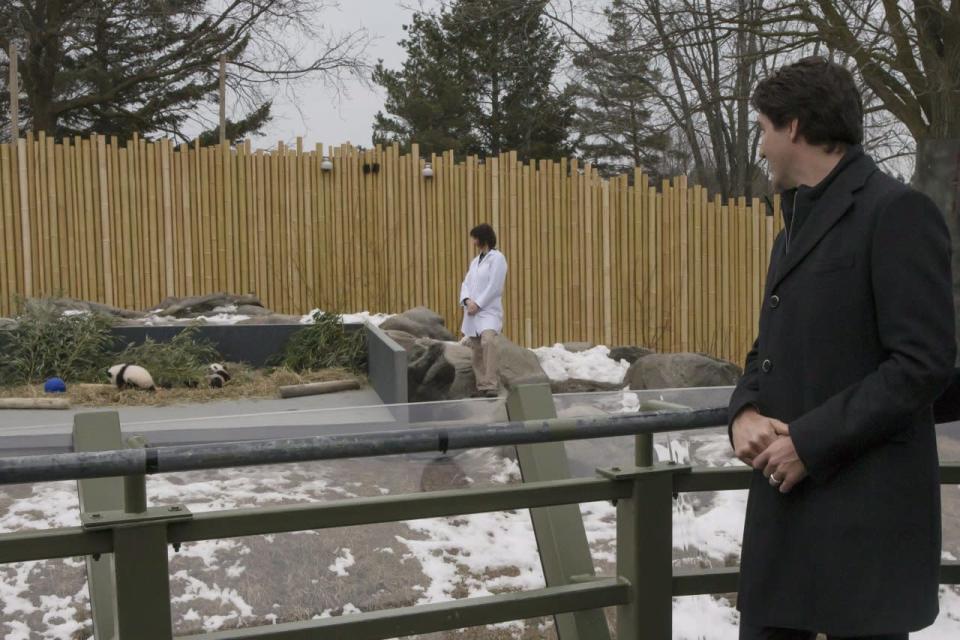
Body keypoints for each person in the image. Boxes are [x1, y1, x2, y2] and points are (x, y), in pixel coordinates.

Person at [728, 57, 956, 640]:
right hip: (787, 530)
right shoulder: (791, 230)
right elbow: (767, 349)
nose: (760, 146)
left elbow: (922, 363)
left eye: (762, 128)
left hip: (865, 532)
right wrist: (744, 411)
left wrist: (810, 441)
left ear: (795, 126)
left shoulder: (896, 212)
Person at [459, 223, 508, 398]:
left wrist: (478, 304)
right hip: (472, 311)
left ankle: (492, 383)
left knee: (488, 341)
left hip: (488, 311)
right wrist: (466, 300)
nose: (473, 241)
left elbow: (494, 285)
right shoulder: (475, 261)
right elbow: (466, 283)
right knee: (476, 348)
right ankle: (482, 385)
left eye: (475, 238)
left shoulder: (497, 258)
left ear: (482, 238)